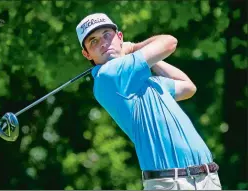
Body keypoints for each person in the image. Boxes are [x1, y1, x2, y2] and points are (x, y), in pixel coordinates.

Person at [75, 13, 222, 190]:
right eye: (94, 41)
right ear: (87, 54)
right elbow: (169, 42)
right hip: (171, 183)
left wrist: (139, 55)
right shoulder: (108, 75)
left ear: (119, 37)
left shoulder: (147, 82)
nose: (103, 43)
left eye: (107, 34)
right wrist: (135, 47)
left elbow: (188, 87)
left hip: (207, 178)